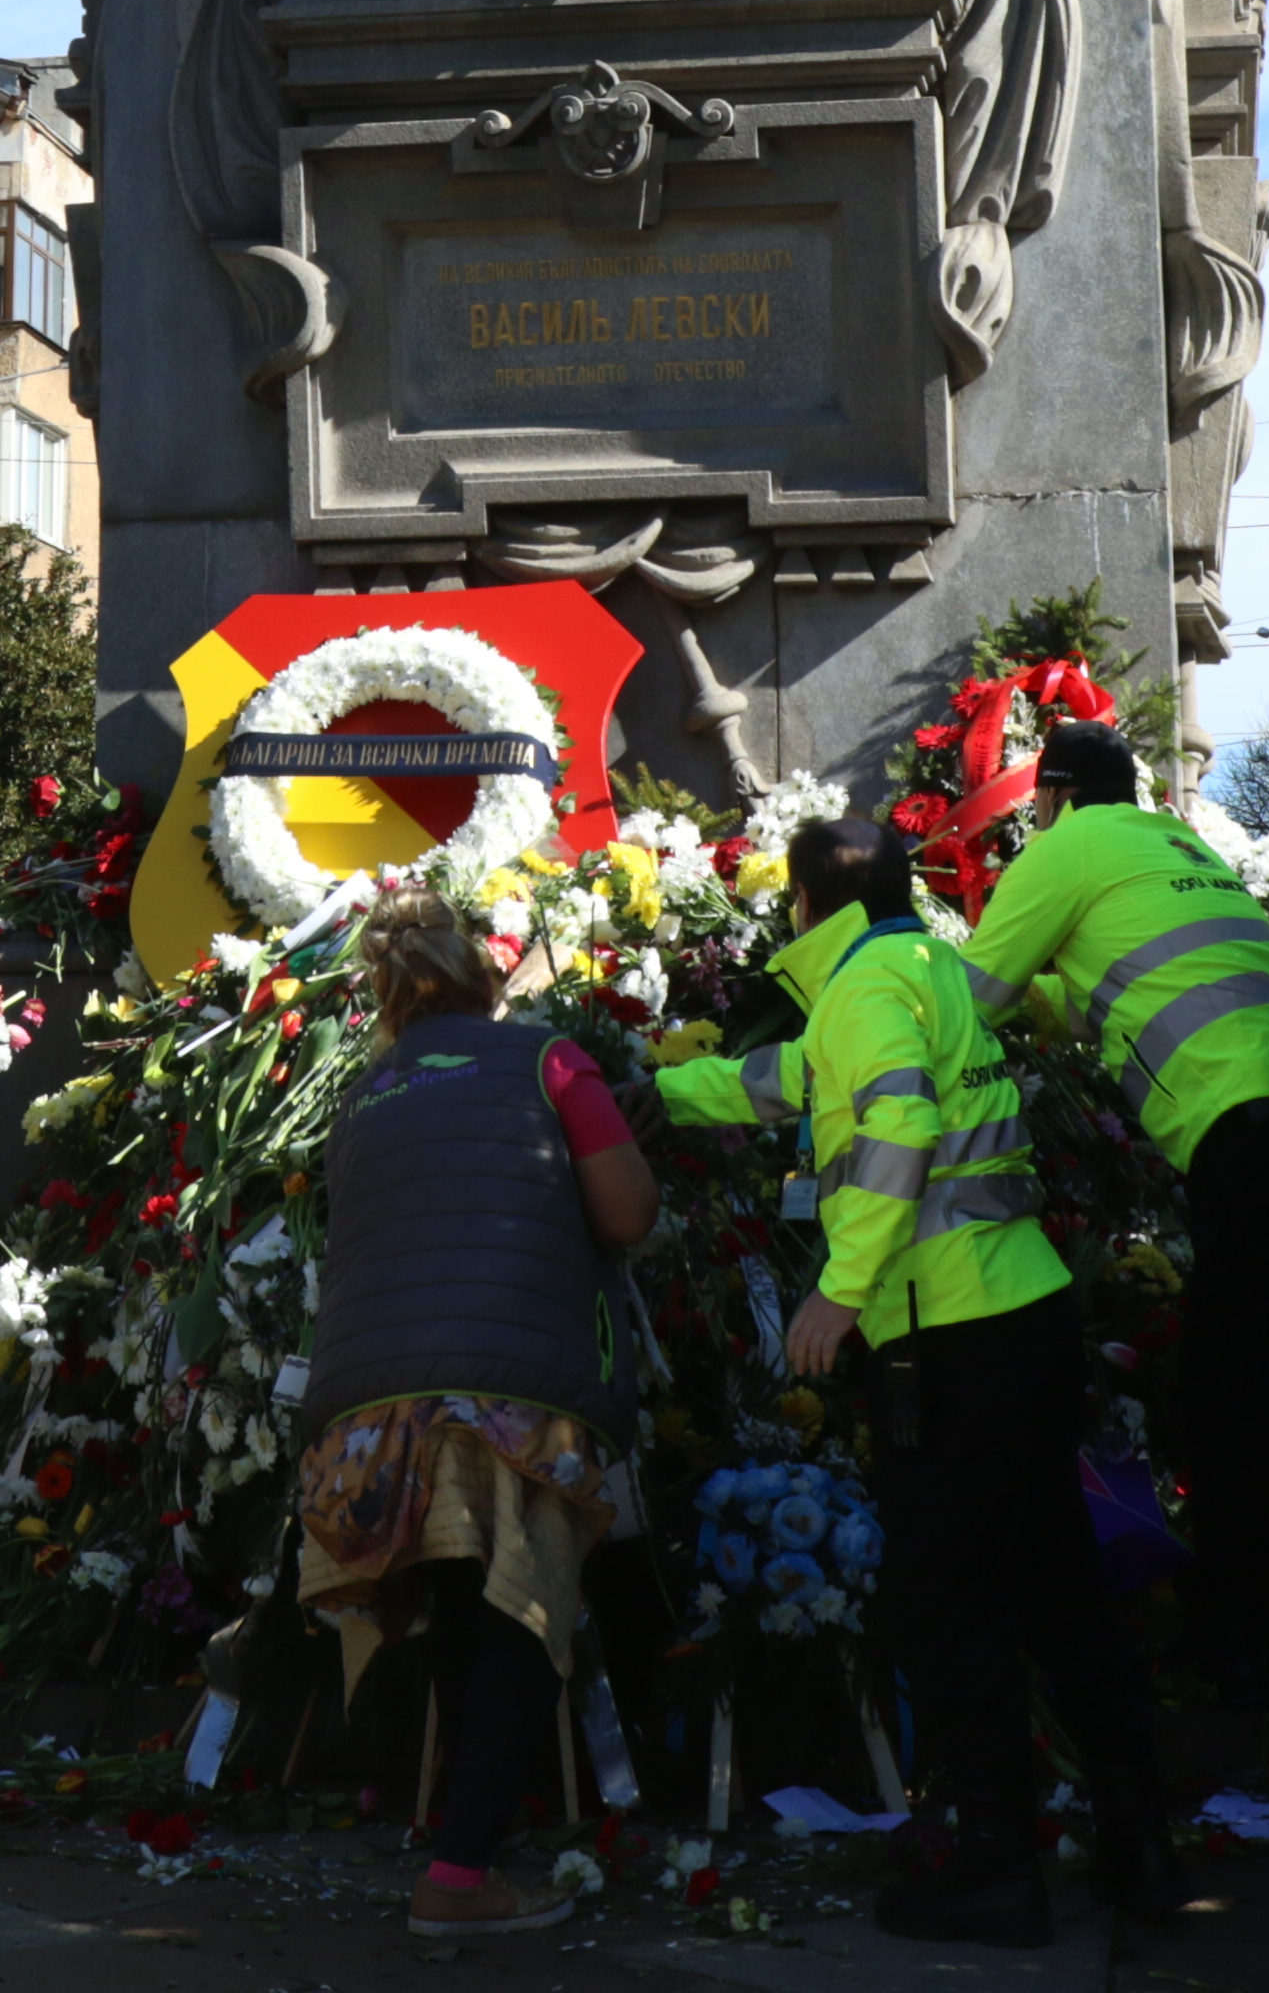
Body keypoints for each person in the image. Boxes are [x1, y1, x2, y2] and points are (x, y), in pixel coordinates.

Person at [657, 816, 1178, 1944]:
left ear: (805, 903)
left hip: (948, 1332)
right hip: (1023, 1312)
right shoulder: (924, 966)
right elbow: (801, 1078)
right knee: (1058, 1588)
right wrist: (666, 1089)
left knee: (951, 1608)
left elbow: (894, 1118)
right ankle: (1141, 1842)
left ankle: (993, 1864)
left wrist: (839, 1292)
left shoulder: (865, 985)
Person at [963, 717, 1269, 1705]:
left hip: (1248, 1124)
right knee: (1223, 1392)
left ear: (1052, 798)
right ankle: (1235, 1633)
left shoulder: (1066, 848)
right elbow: (1122, 989)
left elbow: (970, 997)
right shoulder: (1176, 847)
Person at [286, 887, 659, 1941]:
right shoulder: (545, 1062)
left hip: (370, 1404)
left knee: (462, 1605)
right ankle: (459, 1878)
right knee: (519, 1620)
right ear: (487, 980)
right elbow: (627, 1214)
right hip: (513, 1391)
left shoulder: (364, 1093)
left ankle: (464, 1842)